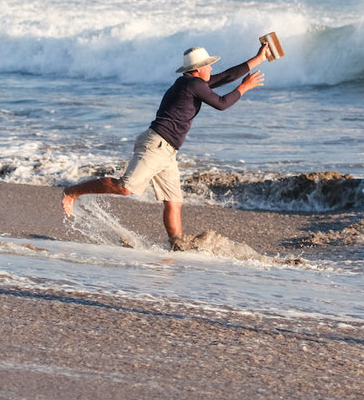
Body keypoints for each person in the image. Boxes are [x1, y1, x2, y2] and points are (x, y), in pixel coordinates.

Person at [61, 43, 268, 249]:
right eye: (208, 65)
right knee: (125, 188)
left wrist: (258, 59)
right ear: (198, 69)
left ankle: (176, 246)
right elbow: (222, 104)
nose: (211, 69)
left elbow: (226, 76)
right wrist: (245, 87)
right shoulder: (193, 85)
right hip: (156, 145)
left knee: (173, 201)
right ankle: (72, 192)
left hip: (167, 151)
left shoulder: (191, 83)